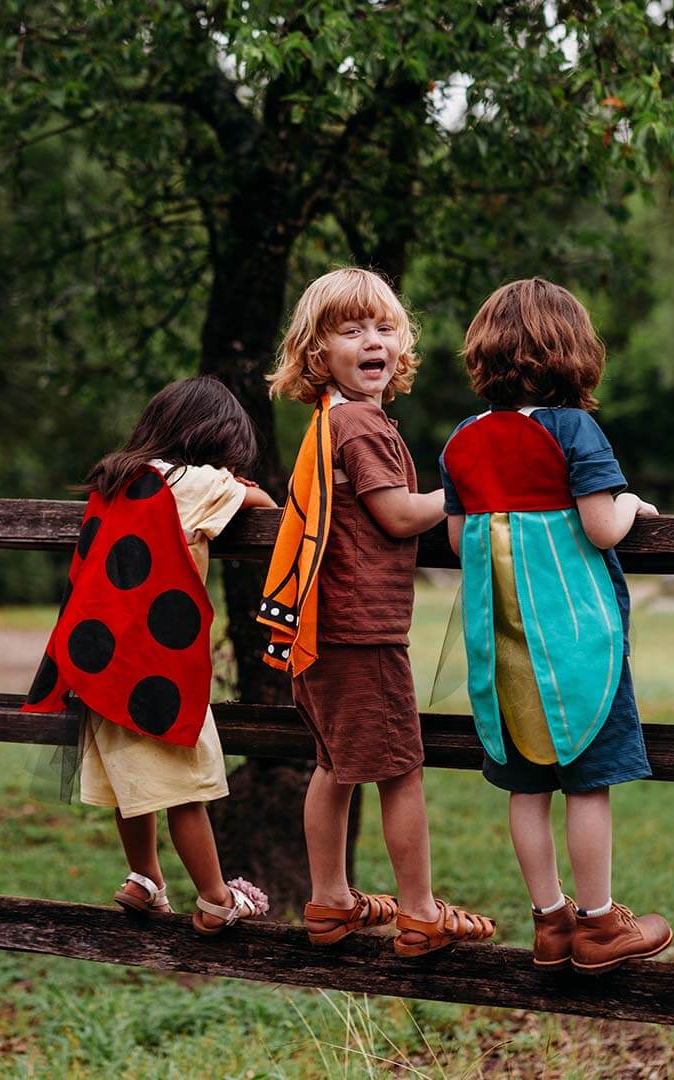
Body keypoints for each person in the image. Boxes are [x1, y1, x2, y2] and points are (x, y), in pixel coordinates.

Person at [259, 268, 496, 957]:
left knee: (333, 764)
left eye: (384, 328)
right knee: (400, 769)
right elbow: (398, 517)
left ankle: (330, 901)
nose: (373, 341)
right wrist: (467, 490)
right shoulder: (361, 422)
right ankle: (419, 912)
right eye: (351, 329)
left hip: (323, 627)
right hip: (361, 630)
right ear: (317, 353)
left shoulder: (333, 420)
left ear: (402, 346)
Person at [439, 278, 671, 973]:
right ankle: (600, 925)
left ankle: (550, 921)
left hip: (501, 651)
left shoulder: (464, 440)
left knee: (526, 788)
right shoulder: (573, 429)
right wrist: (631, 503)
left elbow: (456, 543)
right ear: (574, 353)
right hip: (575, 651)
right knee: (587, 784)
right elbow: (602, 528)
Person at [23, 375, 275, 935]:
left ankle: (144, 879)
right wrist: (239, 485)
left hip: (99, 665)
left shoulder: (117, 479)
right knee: (186, 787)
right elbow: (266, 505)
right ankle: (214, 899)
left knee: (131, 782)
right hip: (158, 671)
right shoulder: (197, 481)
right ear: (217, 440)